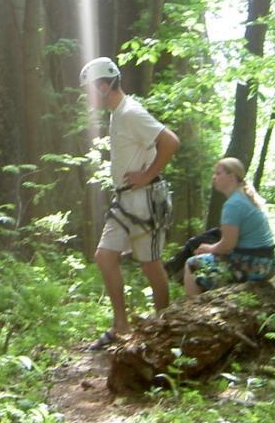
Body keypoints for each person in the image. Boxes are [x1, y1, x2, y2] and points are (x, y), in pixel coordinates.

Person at [80, 57, 180, 350]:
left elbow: (170, 141)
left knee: (150, 265)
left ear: (102, 86)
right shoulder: (118, 113)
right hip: (125, 200)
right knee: (104, 256)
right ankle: (121, 326)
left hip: (146, 199)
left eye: (89, 89)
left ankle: (164, 325)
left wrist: (148, 174)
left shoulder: (131, 112)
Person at [184, 157, 275, 296]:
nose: (214, 177)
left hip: (254, 265)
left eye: (218, 173)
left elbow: (228, 246)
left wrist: (209, 248)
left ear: (231, 177)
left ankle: (193, 308)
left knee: (191, 263)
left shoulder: (233, 204)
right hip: (266, 262)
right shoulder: (244, 197)